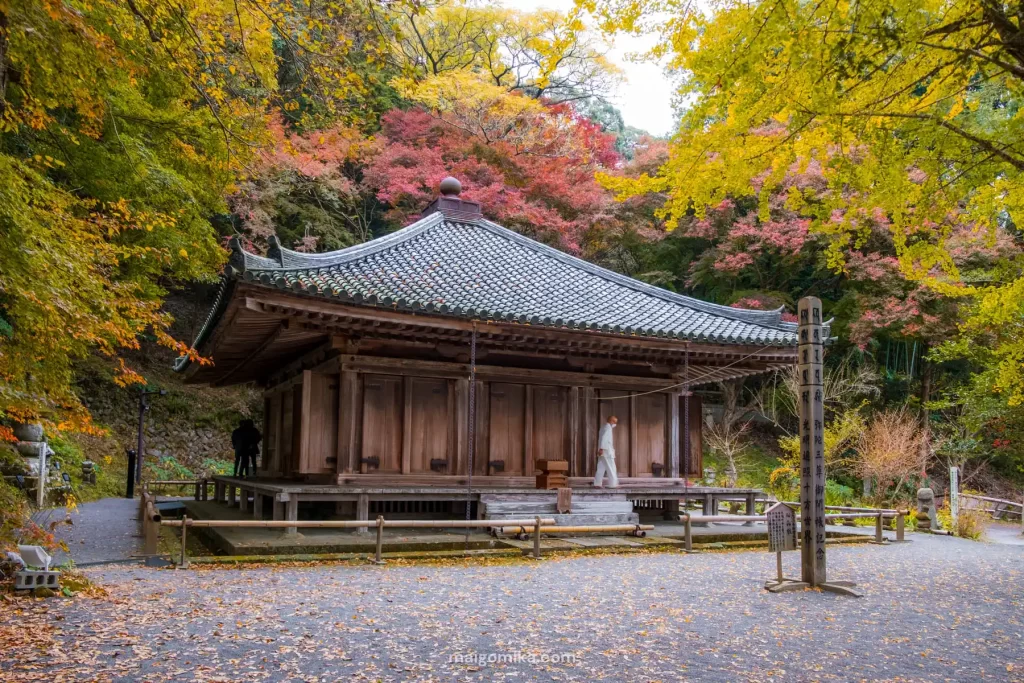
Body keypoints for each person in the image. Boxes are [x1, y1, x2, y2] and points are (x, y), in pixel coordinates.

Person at [592, 415, 619, 488]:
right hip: (607, 451)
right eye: (615, 422)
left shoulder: (603, 427)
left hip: (603, 451)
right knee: (611, 467)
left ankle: (597, 483)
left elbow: (601, 439)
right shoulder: (608, 428)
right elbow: (604, 438)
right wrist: (602, 448)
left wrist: (600, 449)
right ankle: (613, 484)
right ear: (612, 421)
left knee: (601, 468)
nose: (615, 424)